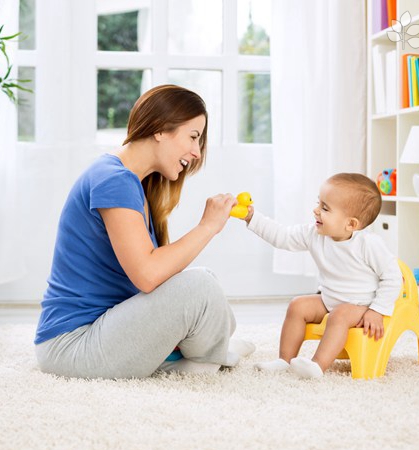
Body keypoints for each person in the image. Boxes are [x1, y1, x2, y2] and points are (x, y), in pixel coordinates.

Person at [35, 85, 254, 379]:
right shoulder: (114, 179)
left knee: (204, 281)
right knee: (200, 287)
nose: (197, 152)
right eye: (193, 137)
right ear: (161, 129)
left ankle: (202, 352)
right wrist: (208, 227)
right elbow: (148, 275)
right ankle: (205, 360)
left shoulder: (130, 181)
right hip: (73, 346)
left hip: (102, 330)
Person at [242, 173, 402, 379]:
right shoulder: (314, 234)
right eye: (319, 203)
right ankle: (284, 360)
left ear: (351, 224)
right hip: (329, 300)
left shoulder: (368, 244)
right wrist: (252, 217)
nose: (316, 210)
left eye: (325, 208)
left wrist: (377, 310)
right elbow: (282, 237)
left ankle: (317, 366)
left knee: (339, 316)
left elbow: (392, 277)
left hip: (360, 305)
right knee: (297, 305)